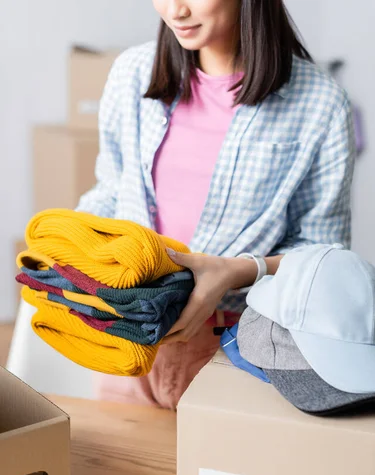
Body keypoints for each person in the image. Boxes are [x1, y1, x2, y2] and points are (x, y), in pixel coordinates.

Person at [77, 0, 356, 408]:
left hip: (234, 347)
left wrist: (234, 272)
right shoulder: (132, 72)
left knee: (211, 472)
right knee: (113, 466)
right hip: (126, 331)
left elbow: (323, 253)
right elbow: (112, 191)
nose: (175, 10)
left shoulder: (320, 103)